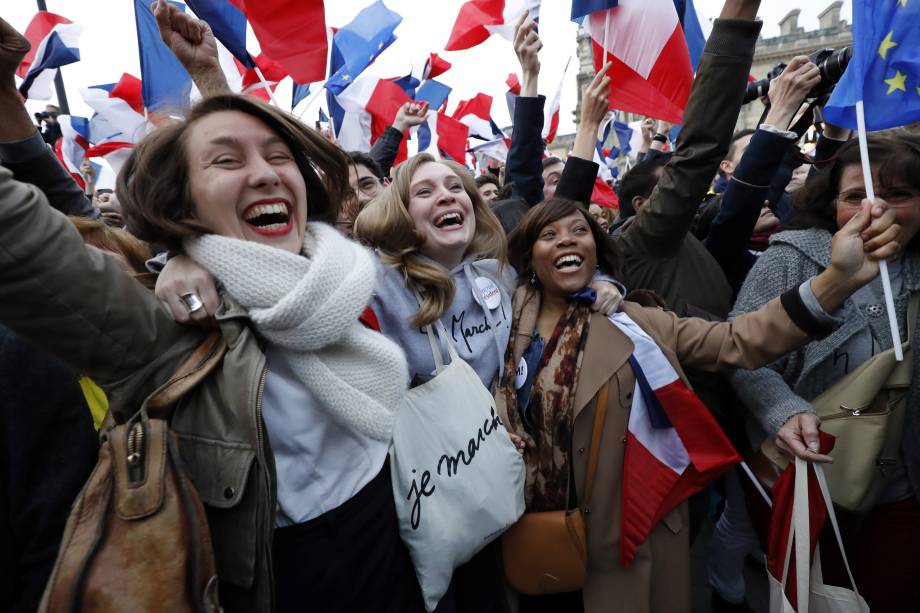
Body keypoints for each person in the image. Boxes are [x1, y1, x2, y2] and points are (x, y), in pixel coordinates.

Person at [1, 17, 425, 609]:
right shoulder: (166, 330)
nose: (265, 173)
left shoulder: (345, 276)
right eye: (225, 163)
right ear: (183, 207)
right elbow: (31, 236)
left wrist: (208, 76)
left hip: (397, 560)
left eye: (281, 158)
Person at [496, 194, 899, 613]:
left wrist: (837, 280)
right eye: (549, 235)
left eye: (580, 231)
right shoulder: (501, 325)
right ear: (529, 257)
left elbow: (737, 341)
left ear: (596, 249)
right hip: (533, 536)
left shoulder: (638, 322)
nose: (567, 241)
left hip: (620, 541)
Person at [728, 131, 920, 612]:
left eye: (898, 195)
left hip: (903, 492)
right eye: (857, 196)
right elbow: (742, 353)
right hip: (810, 478)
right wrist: (783, 409)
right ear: (831, 201)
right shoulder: (791, 256)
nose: (876, 211)